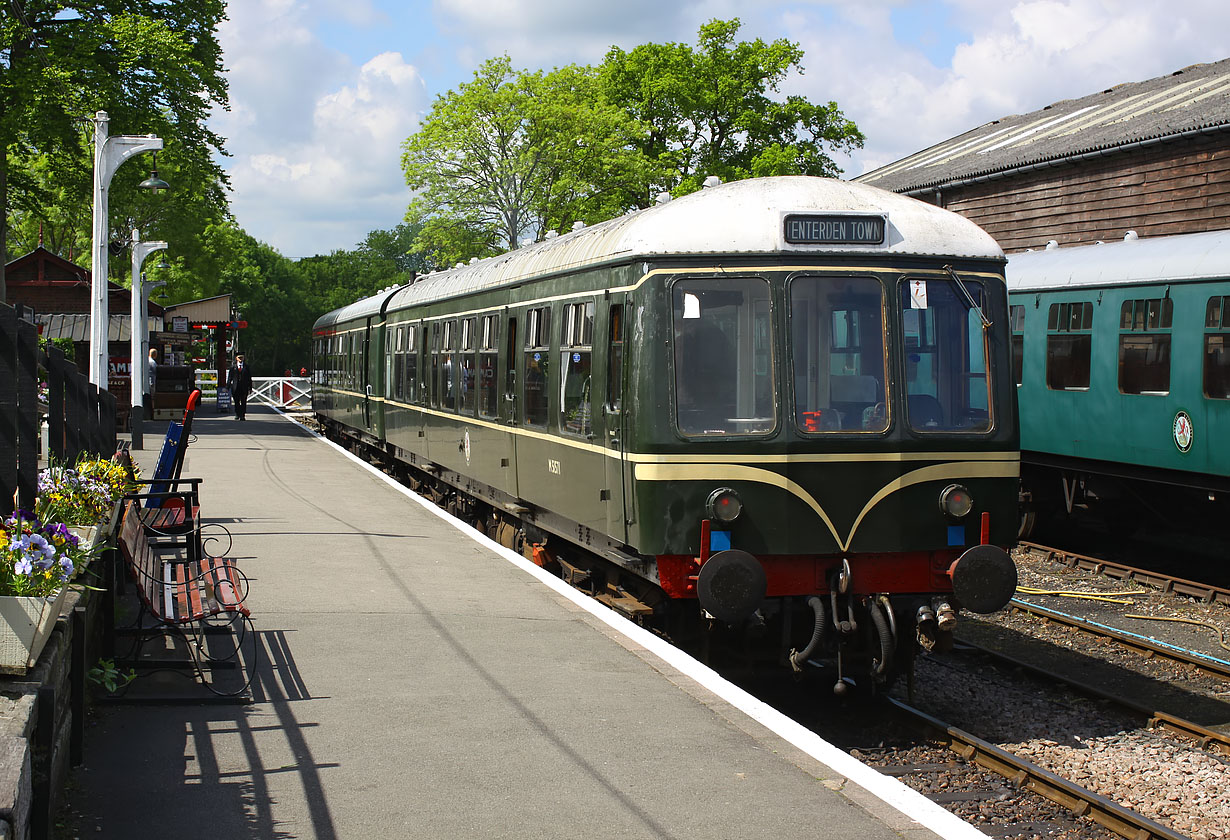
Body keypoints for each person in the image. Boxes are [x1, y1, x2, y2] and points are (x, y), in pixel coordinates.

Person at [228, 354, 254, 420]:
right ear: (236, 358)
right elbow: (230, 378)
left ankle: (242, 415)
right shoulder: (233, 367)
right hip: (235, 387)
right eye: (239, 357)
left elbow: (249, 378)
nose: (240, 359)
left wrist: (250, 387)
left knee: (243, 402)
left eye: (241, 357)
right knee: (236, 401)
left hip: (244, 387)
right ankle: (237, 414)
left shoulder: (246, 367)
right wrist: (227, 386)